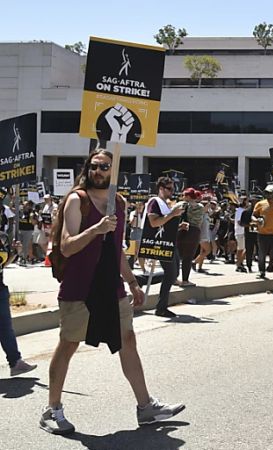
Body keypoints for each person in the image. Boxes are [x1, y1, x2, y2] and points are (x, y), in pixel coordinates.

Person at [41, 148, 184, 435]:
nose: (98, 171)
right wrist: (96, 228)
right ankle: (52, 409)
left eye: (104, 166)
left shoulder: (118, 202)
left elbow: (116, 250)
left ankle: (146, 407)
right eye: (93, 166)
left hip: (111, 287)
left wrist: (131, 282)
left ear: (112, 171)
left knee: (128, 340)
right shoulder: (76, 200)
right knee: (69, 344)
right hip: (80, 287)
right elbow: (67, 246)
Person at [145, 178, 186, 318]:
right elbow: (154, 222)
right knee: (170, 274)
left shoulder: (164, 204)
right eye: (169, 189)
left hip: (169, 242)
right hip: (161, 244)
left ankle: (142, 279)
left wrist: (178, 226)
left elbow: (165, 224)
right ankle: (161, 307)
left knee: (174, 274)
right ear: (161, 188)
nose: (172, 192)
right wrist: (172, 214)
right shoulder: (154, 202)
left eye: (173, 189)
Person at [1, 230, 37, 376]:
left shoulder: (2, 237)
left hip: (0, 289)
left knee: (6, 328)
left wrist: (15, 253)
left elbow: (2, 264)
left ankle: (16, 362)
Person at [175, 189, 203, 288]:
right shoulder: (200, 207)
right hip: (193, 232)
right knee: (188, 258)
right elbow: (198, 220)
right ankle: (185, 280)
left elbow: (171, 216)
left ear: (187, 196)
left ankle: (174, 278)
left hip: (179, 231)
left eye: (183, 195)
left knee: (177, 256)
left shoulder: (179, 205)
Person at [193, 198, 214, 274]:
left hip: (206, 234)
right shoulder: (201, 215)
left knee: (203, 251)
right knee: (208, 250)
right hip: (202, 235)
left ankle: (200, 267)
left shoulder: (206, 214)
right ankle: (194, 262)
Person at [38, 194, 58, 261]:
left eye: (46, 199)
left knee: (51, 243)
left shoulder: (55, 206)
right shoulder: (46, 206)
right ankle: (49, 255)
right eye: (44, 199)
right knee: (41, 242)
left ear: (50, 199)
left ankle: (51, 257)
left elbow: (55, 216)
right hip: (45, 226)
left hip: (51, 226)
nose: (45, 200)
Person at [127, 201, 145, 271]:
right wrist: (136, 214)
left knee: (136, 252)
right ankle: (143, 269)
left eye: (141, 205)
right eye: (138, 205)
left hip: (142, 231)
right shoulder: (133, 213)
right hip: (135, 231)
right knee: (137, 251)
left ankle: (129, 267)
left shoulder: (145, 214)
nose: (140, 207)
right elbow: (131, 224)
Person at [18, 200, 37, 264]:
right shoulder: (20, 211)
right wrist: (12, 200)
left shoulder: (32, 212)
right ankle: (20, 256)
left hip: (28, 231)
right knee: (19, 244)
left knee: (25, 245)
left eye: (26, 205)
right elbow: (11, 209)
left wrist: (31, 218)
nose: (25, 206)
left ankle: (24, 258)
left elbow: (34, 223)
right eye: (24, 205)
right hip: (20, 230)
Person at [234, 197, 249, 272]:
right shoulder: (240, 211)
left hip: (241, 232)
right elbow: (239, 222)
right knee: (243, 249)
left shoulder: (242, 210)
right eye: (247, 201)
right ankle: (239, 264)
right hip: (241, 232)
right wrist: (249, 225)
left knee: (240, 249)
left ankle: (240, 263)